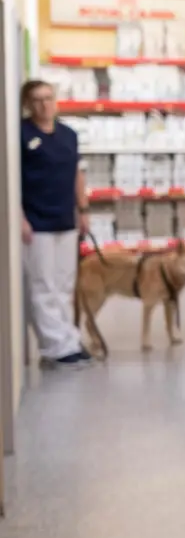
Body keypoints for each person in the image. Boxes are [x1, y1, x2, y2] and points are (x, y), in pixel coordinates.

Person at [20, 80, 92, 368]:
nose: (44, 104)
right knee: (43, 285)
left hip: (66, 219)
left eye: (48, 98)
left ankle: (69, 340)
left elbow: (76, 174)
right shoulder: (21, 134)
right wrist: (19, 218)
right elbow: (10, 180)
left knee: (64, 284)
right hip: (36, 223)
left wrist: (83, 210)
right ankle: (55, 348)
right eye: (36, 100)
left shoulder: (68, 135)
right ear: (27, 104)